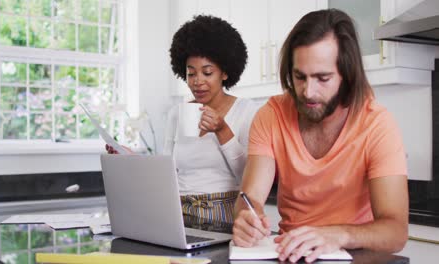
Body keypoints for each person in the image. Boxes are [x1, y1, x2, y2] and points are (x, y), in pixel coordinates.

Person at [232, 9, 408, 262]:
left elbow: (396, 232)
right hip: (290, 255)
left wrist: (338, 235)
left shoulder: (377, 124)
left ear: (347, 75)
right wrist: (246, 218)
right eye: (299, 77)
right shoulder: (271, 116)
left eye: (322, 78)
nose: (308, 92)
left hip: (353, 257)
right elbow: (250, 198)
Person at [107, 15, 258, 223]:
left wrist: (222, 130)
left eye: (207, 73)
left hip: (223, 213)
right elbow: (166, 172)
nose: (197, 82)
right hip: (179, 212)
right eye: (191, 74)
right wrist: (132, 158)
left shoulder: (246, 110)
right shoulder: (176, 114)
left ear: (224, 72)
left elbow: (248, 176)